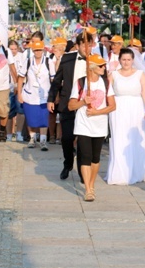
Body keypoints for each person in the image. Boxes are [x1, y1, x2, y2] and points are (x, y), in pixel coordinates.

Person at [68, 54, 116, 202]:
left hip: (100, 125)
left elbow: (112, 106)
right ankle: (88, 190)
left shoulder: (106, 83)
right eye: (101, 66)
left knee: (95, 158)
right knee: (86, 156)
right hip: (83, 125)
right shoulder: (80, 83)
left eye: (104, 65)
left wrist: (97, 112)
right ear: (93, 67)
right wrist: (83, 102)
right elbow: (71, 106)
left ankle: (91, 184)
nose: (104, 68)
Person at [48, 32, 95, 180]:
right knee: (67, 138)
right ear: (78, 45)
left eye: (89, 45)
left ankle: (83, 171)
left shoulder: (96, 61)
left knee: (83, 141)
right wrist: (51, 98)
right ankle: (68, 163)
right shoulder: (67, 59)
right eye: (83, 45)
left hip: (87, 106)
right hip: (68, 104)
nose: (86, 49)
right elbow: (57, 80)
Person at [106, 48, 145, 185]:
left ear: (133, 60)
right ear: (119, 60)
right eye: (123, 59)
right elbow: (108, 93)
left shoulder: (140, 74)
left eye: (129, 60)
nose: (126, 62)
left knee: (136, 137)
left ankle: (138, 170)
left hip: (137, 108)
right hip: (118, 109)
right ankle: (120, 172)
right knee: (119, 138)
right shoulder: (113, 75)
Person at [17, 40, 55, 150]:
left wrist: (54, 96)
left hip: (45, 96)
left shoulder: (49, 62)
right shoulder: (28, 61)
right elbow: (20, 78)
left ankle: (43, 140)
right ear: (33, 51)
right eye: (36, 50)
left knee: (44, 118)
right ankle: (32, 138)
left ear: (43, 50)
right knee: (31, 118)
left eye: (40, 50)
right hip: (30, 95)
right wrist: (19, 93)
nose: (38, 52)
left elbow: (53, 80)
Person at [0, 35, 16, 143]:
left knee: (4, 112)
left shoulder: (6, 51)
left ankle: (1, 131)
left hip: (3, 87)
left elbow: (12, 68)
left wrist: (16, 84)